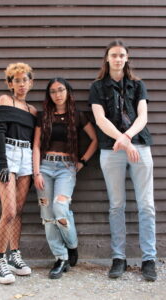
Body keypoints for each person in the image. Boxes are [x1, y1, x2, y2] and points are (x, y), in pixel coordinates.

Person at [89, 40, 157, 281]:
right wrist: (121, 140)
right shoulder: (97, 87)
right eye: (113, 55)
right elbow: (100, 120)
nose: (118, 59)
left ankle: (149, 259)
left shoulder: (138, 85)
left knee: (146, 205)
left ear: (127, 59)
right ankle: (119, 258)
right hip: (111, 148)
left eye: (122, 55)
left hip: (139, 145)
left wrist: (127, 138)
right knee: (116, 205)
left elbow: (143, 116)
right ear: (107, 59)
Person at [33, 77, 97, 279]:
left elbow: (94, 140)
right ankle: (60, 258)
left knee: (60, 208)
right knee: (47, 213)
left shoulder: (77, 116)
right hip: (44, 166)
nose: (57, 94)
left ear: (68, 91)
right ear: (48, 95)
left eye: (61, 90)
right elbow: (36, 145)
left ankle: (72, 245)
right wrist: (36, 172)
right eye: (53, 91)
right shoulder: (43, 116)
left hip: (67, 168)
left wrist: (82, 162)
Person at [0, 62, 37, 284]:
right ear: (10, 83)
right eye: (17, 80)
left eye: (25, 80)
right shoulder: (5, 100)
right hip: (7, 153)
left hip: (26, 156)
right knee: (8, 211)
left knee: (18, 210)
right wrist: (3, 163)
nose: (21, 84)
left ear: (31, 83)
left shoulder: (33, 111)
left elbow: (34, 141)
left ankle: (14, 255)